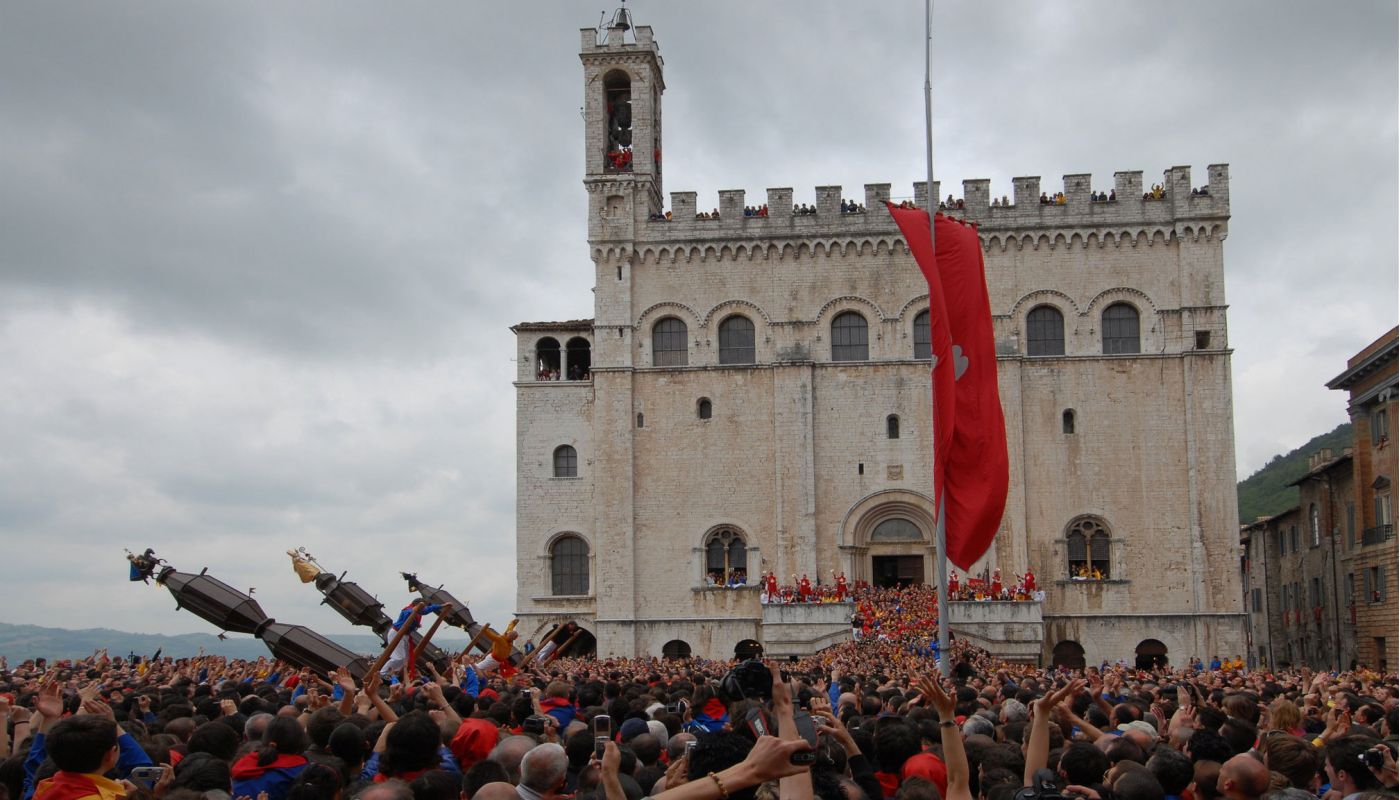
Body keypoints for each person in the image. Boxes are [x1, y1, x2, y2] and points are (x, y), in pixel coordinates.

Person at [383, 599, 448, 679]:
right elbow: (408, 613)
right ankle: (383, 673)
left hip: (405, 635)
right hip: (397, 633)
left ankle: (394, 673)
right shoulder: (407, 609)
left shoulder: (419, 611)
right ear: (417, 605)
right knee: (399, 657)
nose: (424, 610)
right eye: (422, 608)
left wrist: (442, 605)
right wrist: (414, 611)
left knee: (406, 658)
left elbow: (428, 609)